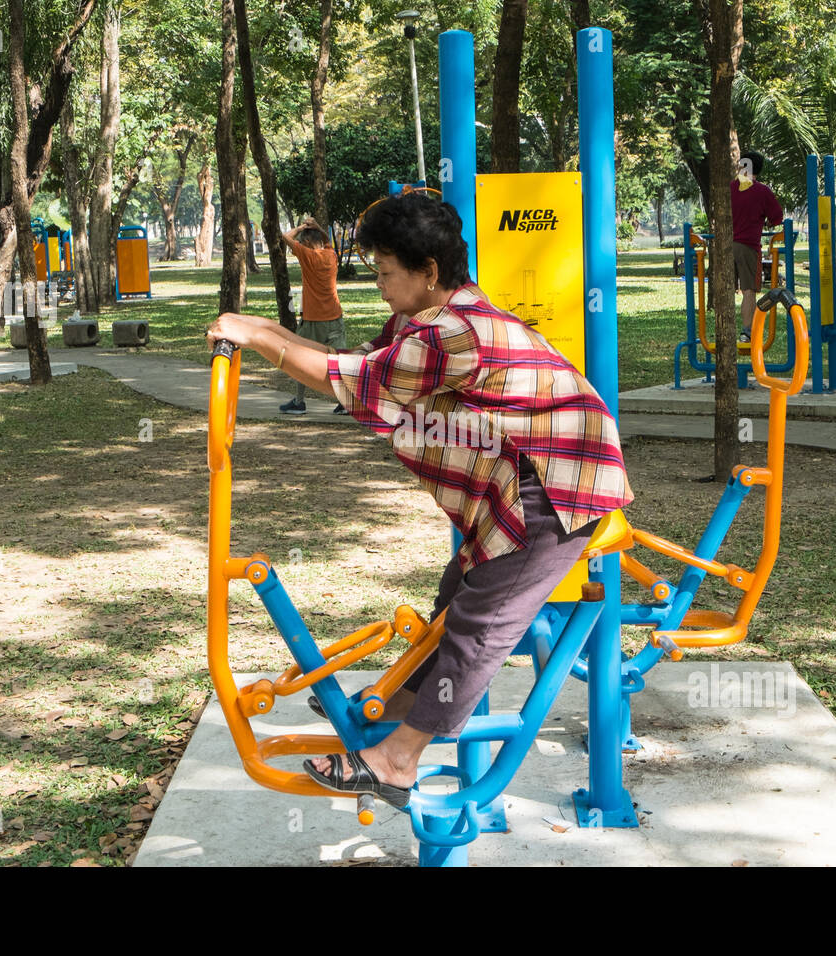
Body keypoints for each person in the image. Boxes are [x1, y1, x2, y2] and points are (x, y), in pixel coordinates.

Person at [206, 192, 634, 808]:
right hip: (514, 486)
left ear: (428, 272)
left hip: (558, 488)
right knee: (451, 601)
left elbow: (353, 383)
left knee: (479, 626)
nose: (378, 286)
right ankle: (393, 711)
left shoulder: (453, 332)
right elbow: (350, 362)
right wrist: (255, 329)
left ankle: (396, 761)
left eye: (385, 273)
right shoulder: (431, 321)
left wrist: (257, 336)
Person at [279, 217, 347, 415]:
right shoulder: (331, 255)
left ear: (307, 242)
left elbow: (285, 236)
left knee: (299, 359)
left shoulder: (307, 256)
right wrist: (317, 227)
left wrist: (301, 227)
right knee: (338, 361)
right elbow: (327, 241)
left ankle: (299, 402)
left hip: (313, 320)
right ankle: (344, 402)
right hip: (335, 317)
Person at [731, 150, 784, 343]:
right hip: (748, 245)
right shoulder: (762, 191)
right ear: (758, 170)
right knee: (748, 290)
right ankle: (746, 331)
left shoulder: (730, 188)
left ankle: (726, 330)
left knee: (726, 288)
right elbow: (777, 218)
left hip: (725, 245)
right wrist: (765, 222)